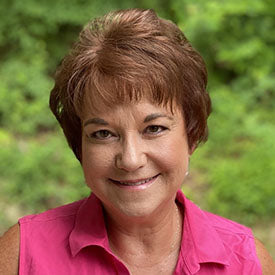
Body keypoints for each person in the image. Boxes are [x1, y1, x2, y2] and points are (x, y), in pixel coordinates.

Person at [0, 8, 274, 275]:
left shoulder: (247, 261)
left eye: (154, 128)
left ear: (191, 134)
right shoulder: (22, 255)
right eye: (103, 134)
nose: (130, 160)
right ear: (79, 145)